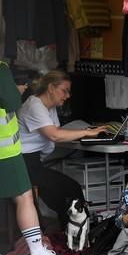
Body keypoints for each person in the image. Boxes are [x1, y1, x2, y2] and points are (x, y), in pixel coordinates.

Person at [0, 22, 66, 255]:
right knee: (23, 196)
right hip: (3, 148)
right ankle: (36, 251)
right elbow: (11, 103)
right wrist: (18, 89)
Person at [18, 70, 107, 230]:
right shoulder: (34, 106)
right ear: (51, 88)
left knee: (63, 195)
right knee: (71, 190)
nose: (67, 96)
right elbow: (55, 135)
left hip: (33, 161)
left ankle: (71, 234)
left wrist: (86, 132)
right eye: (64, 90)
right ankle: (76, 234)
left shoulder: (49, 107)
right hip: (23, 163)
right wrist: (87, 132)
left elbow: (58, 132)